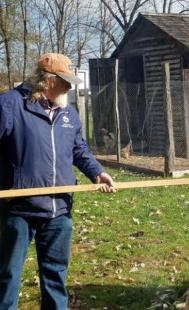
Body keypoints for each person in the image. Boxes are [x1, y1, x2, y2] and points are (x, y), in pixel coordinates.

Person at [0, 53, 114, 309]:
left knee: (55, 277)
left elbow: (79, 150)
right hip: (19, 208)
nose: (69, 87)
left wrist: (97, 172)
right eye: (64, 81)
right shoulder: (10, 105)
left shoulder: (68, 113)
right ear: (46, 80)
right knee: (8, 276)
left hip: (59, 210)